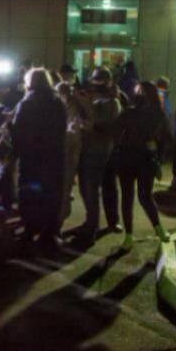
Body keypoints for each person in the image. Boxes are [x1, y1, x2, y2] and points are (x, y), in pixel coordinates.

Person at [11, 68, 67, 251]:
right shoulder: (57, 101)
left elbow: (18, 131)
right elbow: (62, 129)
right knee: (51, 194)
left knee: (29, 194)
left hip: (31, 158)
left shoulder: (27, 103)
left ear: (30, 82)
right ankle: (50, 233)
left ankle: (30, 229)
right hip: (53, 157)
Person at [113, 81, 172, 250]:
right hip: (146, 159)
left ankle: (129, 236)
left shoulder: (129, 112)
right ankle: (158, 229)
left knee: (128, 197)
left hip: (128, 158)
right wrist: (158, 153)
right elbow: (168, 138)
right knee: (145, 196)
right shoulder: (158, 114)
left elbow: (115, 132)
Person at [72, 79, 122, 243]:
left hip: (99, 151)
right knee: (91, 188)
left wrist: (86, 110)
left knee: (92, 189)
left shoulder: (111, 103)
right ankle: (96, 222)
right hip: (94, 150)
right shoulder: (103, 102)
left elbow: (104, 125)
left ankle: (94, 225)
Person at [56, 82, 90, 226]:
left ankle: (60, 216)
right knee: (65, 183)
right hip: (71, 147)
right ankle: (61, 214)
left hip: (69, 147)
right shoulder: (71, 105)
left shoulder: (72, 106)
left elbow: (77, 126)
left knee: (64, 183)